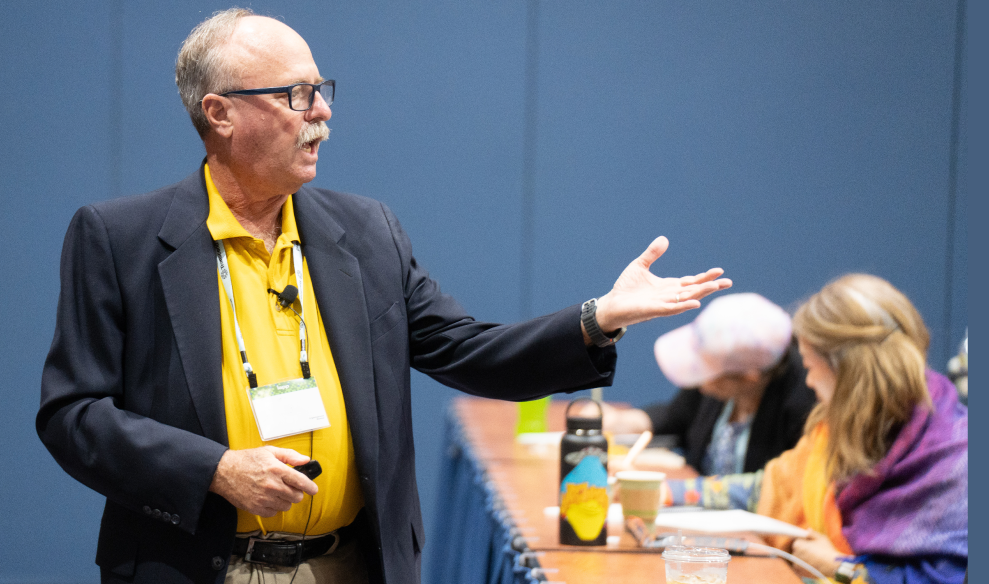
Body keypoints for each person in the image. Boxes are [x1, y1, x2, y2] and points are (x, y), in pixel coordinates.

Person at [36, 8, 732, 584]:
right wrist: (213, 469)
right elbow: (74, 416)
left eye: (321, 89)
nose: (322, 112)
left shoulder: (364, 233)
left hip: (351, 566)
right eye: (296, 95)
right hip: (197, 567)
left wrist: (597, 318)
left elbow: (469, 350)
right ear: (219, 113)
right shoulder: (121, 239)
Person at [664, 274, 968, 583]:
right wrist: (670, 492)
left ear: (848, 372)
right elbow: (771, 488)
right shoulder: (840, 429)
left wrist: (840, 567)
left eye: (809, 367)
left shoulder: (954, 460)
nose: (807, 382)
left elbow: (944, 576)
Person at [603, 293, 817, 475]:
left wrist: (686, 490)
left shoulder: (803, 407)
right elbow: (676, 417)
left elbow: (777, 485)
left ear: (749, 378)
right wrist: (621, 421)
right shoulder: (720, 380)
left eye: (708, 374)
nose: (700, 383)